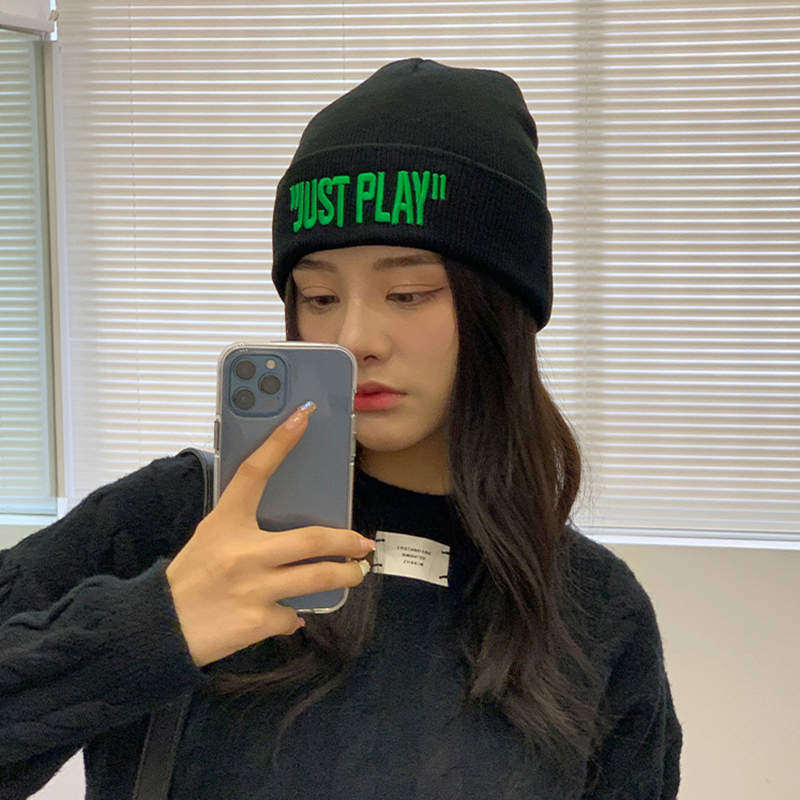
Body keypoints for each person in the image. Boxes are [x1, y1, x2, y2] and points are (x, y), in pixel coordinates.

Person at [0, 59, 681, 799]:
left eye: (408, 293)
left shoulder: (593, 610)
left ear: (501, 310)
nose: (354, 338)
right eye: (320, 296)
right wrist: (155, 625)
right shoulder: (171, 527)